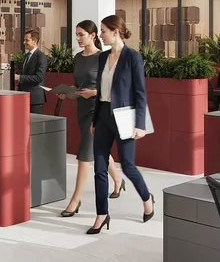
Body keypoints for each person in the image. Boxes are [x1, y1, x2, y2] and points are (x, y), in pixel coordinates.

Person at [88, 15, 154, 235]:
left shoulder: (133, 57)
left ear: (115, 31)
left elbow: (140, 93)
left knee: (127, 166)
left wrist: (140, 124)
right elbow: (100, 92)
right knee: (99, 167)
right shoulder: (102, 57)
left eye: (103, 31)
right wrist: (95, 119)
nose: (100, 35)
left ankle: (146, 197)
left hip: (125, 117)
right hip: (103, 116)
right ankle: (101, 214)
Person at [58, 20, 124, 218]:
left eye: (81, 35)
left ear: (93, 35)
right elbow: (78, 85)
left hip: (97, 110)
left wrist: (93, 92)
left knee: (84, 155)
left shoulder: (103, 57)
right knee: (99, 149)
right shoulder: (78, 58)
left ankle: (75, 200)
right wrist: (68, 92)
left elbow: (114, 87)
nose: (78, 38)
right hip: (82, 108)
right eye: (76, 35)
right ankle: (119, 180)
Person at [15, 30, 48, 114]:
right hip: (23, 96)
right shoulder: (26, 56)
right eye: (24, 40)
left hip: (34, 99)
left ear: (35, 41)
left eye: (27, 40)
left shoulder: (41, 56)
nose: (24, 42)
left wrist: (19, 77)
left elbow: (39, 77)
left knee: (34, 125)